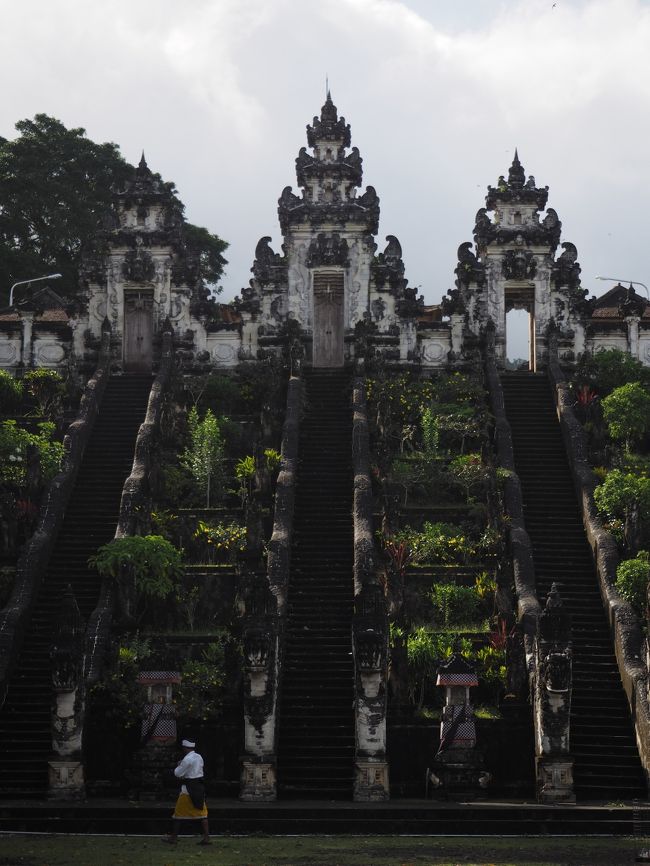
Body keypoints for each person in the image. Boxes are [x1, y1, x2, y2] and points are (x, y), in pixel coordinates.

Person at [163, 739, 210, 845]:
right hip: (199, 787)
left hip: (188, 789)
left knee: (178, 814)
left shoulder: (186, 759)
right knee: (203, 814)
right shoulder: (199, 757)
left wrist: (179, 765)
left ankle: (173, 837)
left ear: (185, 748)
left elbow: (177, 774)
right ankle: (206, 837)